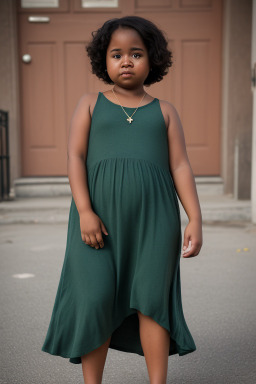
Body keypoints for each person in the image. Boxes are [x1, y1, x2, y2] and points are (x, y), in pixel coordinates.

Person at [41, 15, 203, 384]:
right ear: (104, 61)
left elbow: (179, 166)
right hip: (98, 222)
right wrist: (85, 210)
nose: (126, 61)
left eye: (136, 53)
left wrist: (194, 217)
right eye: (116, 54)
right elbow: (75, 158)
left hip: (155, 222)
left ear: (153, 60)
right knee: (95, 298)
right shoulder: (90, 104)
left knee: (152, 303)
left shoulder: (164, 111)